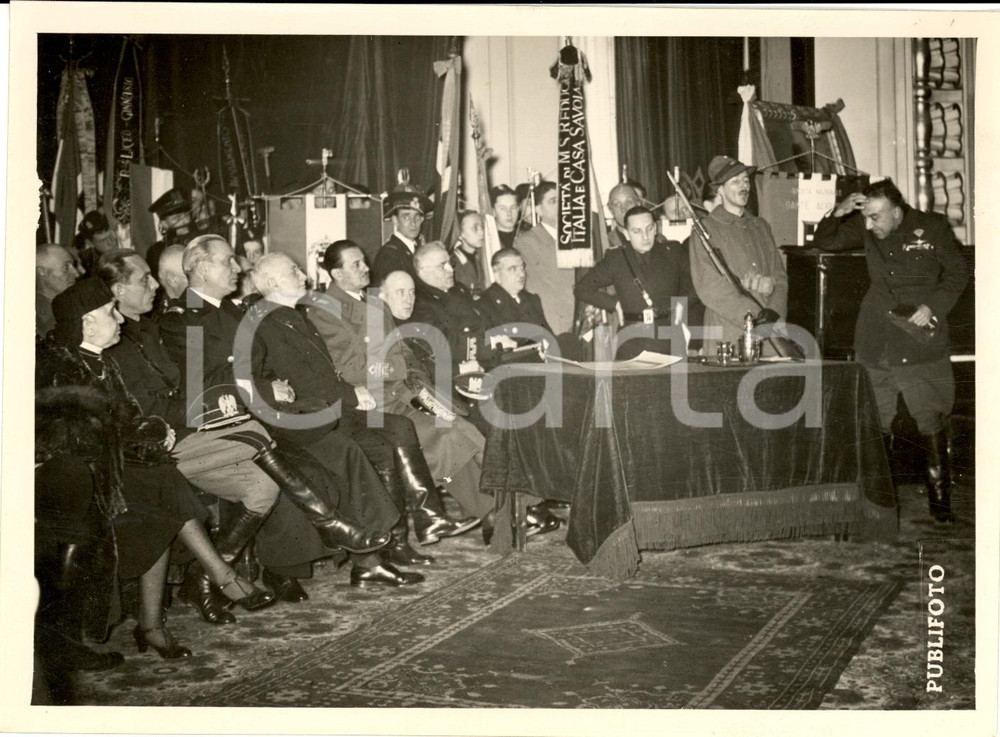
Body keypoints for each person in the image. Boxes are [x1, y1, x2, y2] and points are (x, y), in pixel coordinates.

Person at [37, 278, 277, 662]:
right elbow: (66, 440)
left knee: (161, 484)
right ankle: (210, 584)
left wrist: (154, 431)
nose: (119, 319)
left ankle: (164, 616)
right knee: (161, 486)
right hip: (79, 481)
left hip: (116, 469)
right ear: (86, 323)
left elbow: (127, 416)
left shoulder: (98, 359)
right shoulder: (58, 366)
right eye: (109, 313)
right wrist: (139, 438)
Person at [96, 249, 329, 616]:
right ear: (118, 290)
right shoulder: (125, 340)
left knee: (262, 488)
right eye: (144, 279)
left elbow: (190, 390)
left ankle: (203, 578)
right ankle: (323, 520)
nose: (156, 285)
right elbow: (173, 400)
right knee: (258, 433)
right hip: (158, 448)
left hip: (194, 432)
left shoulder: (145, 330)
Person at [157, 236, 395, 591]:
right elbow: (201, 383)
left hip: (268, 413)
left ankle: (370, 552)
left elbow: (267, 362)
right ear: (203, 269)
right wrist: (268, 389)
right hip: (224, 423)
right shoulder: (181, 320)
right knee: (310, 462)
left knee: (339, 449)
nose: (237, 268)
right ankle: (287, 565)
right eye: (227, 262)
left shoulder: (234, 311)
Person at [245, 253, 481, 566]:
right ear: (273, 283)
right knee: (395, 438)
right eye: (294, 271)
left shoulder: (297, 315)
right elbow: (315, 378)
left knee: (413, 430)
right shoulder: (272, 321)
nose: (302, 275)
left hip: (347, 401)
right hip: (312, 416)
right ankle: (389, 545)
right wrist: (353, 394)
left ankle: (414, 527)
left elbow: (388, 359)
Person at [309, 241, 498, 534]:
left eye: (364, 261)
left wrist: (418, 378)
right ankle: (487, 512)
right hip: (374, 403)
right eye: (356, 264)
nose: (366, 268)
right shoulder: (324, 312)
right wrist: (397, 369)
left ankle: (495, 511)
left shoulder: (374, 303)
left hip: (405, 393)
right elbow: (349, 369)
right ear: (336, 273)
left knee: (462, 429)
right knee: (446, 436)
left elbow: (402, 349)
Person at [813, 178, 969, 523]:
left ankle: (941, 508)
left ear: (897, 213)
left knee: (930, 417)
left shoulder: (933, 227)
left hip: (919, 339)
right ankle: (880, 504)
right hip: (877, 338)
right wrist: (838, 211)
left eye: (877, 217)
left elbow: (958, 274)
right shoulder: (867, 226)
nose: (870, 225)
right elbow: (825, 240)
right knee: (877, 419)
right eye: (867, 217)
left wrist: (933, 306)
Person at [381, 266, 563, 536]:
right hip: (415, 403)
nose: (408, 298)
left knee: (479, 425)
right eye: (399, 293)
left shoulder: (413, 321)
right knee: (466, 431)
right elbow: (409, 376)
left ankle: (516, 507)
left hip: (438, 394)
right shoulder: (384, 328)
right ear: (382, 296)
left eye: (411, 292)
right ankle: (509, 509)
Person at [689, 155, 788, 356]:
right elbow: (710, 287)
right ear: (720, 190)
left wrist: (774, 314)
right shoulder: (705, 229)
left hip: (769, 330)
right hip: (729, 332)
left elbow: (780, 277)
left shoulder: (761, 226)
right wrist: (754, 317)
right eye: (735, 181)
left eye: (745, 180)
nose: (744, 186)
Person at [576, 206, 695, 360]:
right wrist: (613, 304)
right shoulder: (617, 258)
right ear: (626, 233)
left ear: (656, 227)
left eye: (649, 228)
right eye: (637, 231)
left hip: (669, 339)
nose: (645, 236)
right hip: (632, 341)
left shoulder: (672, 251)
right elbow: (582, 288)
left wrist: (682, 303)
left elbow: (698, 282)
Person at [513, 180, 577, 336]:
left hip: (581, 321)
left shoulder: (579, 239)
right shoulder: (526, 242)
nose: (561, 206)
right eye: (553, 201)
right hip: (552, 324)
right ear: (539, 210)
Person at [479, 248, 552, 350]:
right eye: (513, 269)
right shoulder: (485, 304)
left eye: (522, 267)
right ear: (497, 275)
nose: (521, 274)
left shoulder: (532, 300)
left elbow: (550, 339)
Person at [371, 190, 433, 284]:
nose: (413, 223)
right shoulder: (389, 255)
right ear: (395, 220)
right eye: (406, 217)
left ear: (422, 220)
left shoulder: (417, 249)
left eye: (417, 217)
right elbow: (375, 295)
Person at [37, 243, 80, 339]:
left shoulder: (66, 304)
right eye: (66, 267)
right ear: (42, 272)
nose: (76, 274)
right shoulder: (41, 318)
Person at [451, 210, 487, 295]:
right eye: (475, 228)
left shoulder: (481, 257)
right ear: (461, 233)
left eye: (482, 227)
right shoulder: (454, 262)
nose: (481, 232)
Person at [75, 211, 118, 275]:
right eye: (103, 241)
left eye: (110, 237)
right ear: (90, 243)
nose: (111, 243)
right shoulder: (85, 262)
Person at [490, 184, 522, 249]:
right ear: (493, 211)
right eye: (503, 209)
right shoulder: (488, 239)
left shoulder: (527, 236)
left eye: (513, 207)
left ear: (518, 208)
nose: (509, 213)